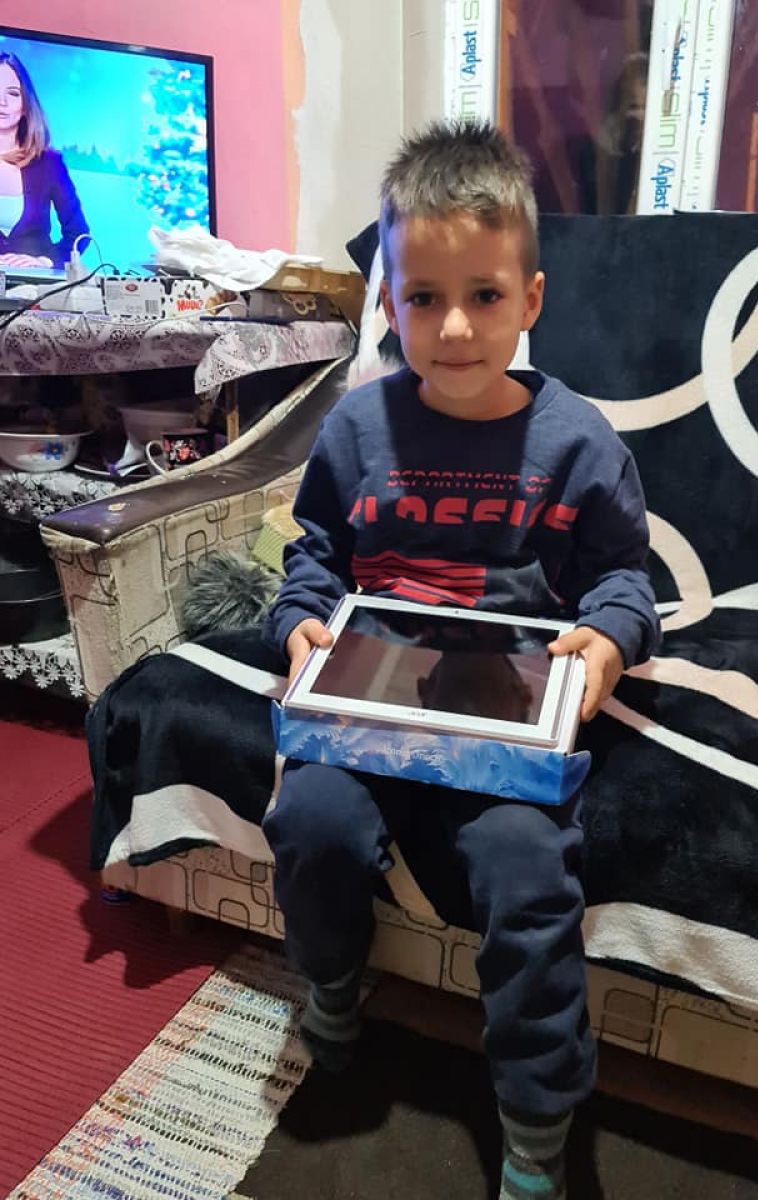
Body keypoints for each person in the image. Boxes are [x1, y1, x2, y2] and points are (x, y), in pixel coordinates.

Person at [261, 119, 660, 1199]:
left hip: (503, 722)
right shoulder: (356, 430)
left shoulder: (578, 442)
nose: (451, 327)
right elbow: (314, 557)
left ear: (531, 299)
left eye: (484, 295)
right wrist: (299, 620)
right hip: (369, 702)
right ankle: (332, 985)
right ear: (387, 303)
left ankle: (536, 1124)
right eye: (422, 296)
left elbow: (625, 580)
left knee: (528, 875)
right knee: (311, 821)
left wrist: (608, 639)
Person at [0, 52, 89, 269]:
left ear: (25, 105)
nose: (2, 102)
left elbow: (79, 234)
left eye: (13, 93)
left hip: (34, 285)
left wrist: (44, 261)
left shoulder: (49, 163)